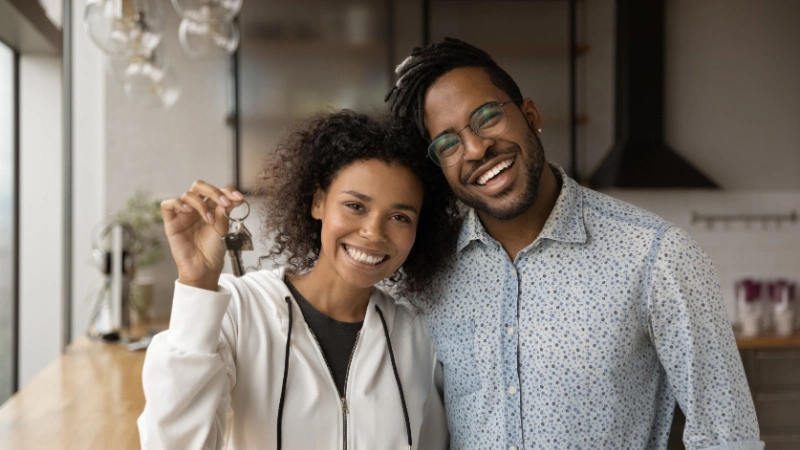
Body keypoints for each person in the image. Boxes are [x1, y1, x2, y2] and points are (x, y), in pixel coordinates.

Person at [385, 37, 763, 449]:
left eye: (487, 117)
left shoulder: (658, 257)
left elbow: (729, 438)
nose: (476, 148)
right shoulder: (424, 268)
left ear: (530, 114)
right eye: (448, 144)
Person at [137, 110, 457, 449]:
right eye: (355, 206)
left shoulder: (419, 338)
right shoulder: (237, 310)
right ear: (319, 202)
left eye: (399, 216)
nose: (373, 233)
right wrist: (196, 285)